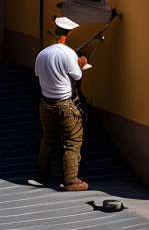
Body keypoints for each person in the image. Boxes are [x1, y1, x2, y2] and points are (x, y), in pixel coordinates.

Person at [34, 16, 88, 191]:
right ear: (69, 33)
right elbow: (77, 76)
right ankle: (71, 181)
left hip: (46, 103)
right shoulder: (68, 53)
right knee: (72, 141)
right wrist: (80, 63)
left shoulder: (42, 54)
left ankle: (42, 172)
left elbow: (37, 74)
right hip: (65, 104)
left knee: (48, 138)